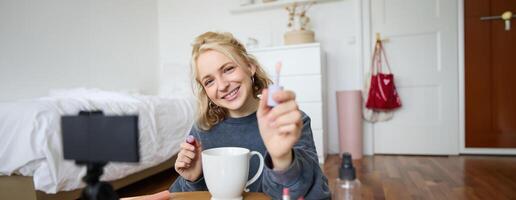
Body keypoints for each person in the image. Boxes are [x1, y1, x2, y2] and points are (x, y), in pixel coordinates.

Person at [169, 31, 330, 199]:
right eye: (209, 81)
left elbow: (311, 191)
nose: (222, 85)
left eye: (228, 69)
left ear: (249, 66)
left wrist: (282, 159)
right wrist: (192, 180)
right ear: (205, 90)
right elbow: (182, 194)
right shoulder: (202, 130)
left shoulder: (287, 122)